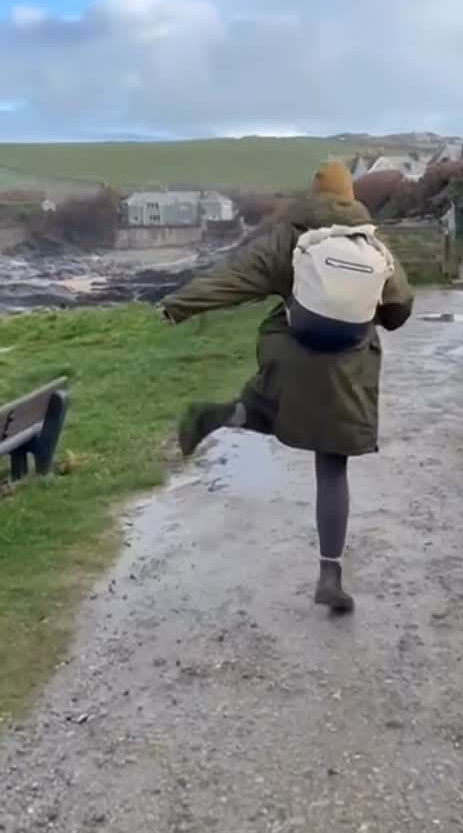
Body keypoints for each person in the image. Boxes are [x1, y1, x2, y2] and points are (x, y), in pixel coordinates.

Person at [159, 161, 413, 613]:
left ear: (312, 194)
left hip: (291, 353)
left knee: (268, 407)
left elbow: (237, 278)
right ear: (351, 195)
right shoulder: (369, 241)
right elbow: (399, 309)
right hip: (348, 369)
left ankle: (223, 415)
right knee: (332, 468)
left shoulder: (290, 237)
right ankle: (330, 575)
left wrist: (179, 305)